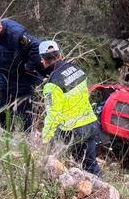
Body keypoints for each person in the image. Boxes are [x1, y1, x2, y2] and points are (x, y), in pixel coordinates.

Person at [39, 40, 101, 176]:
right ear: (60, 55)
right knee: (90, 164)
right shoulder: (77, 70)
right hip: (90, 122)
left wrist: (45, 139)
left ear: (43, 60)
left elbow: (53, 115)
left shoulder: (51, 85)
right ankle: (103, 189)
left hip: (74, 130)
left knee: (60, 162)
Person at [0, 12, 42, 131]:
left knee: (24, 110)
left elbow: (36, 47)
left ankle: (26, 137)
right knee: (4, 108)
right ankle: (6, 134)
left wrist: (29, 66)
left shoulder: (16, 33)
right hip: (5, 77)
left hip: (22, 77)